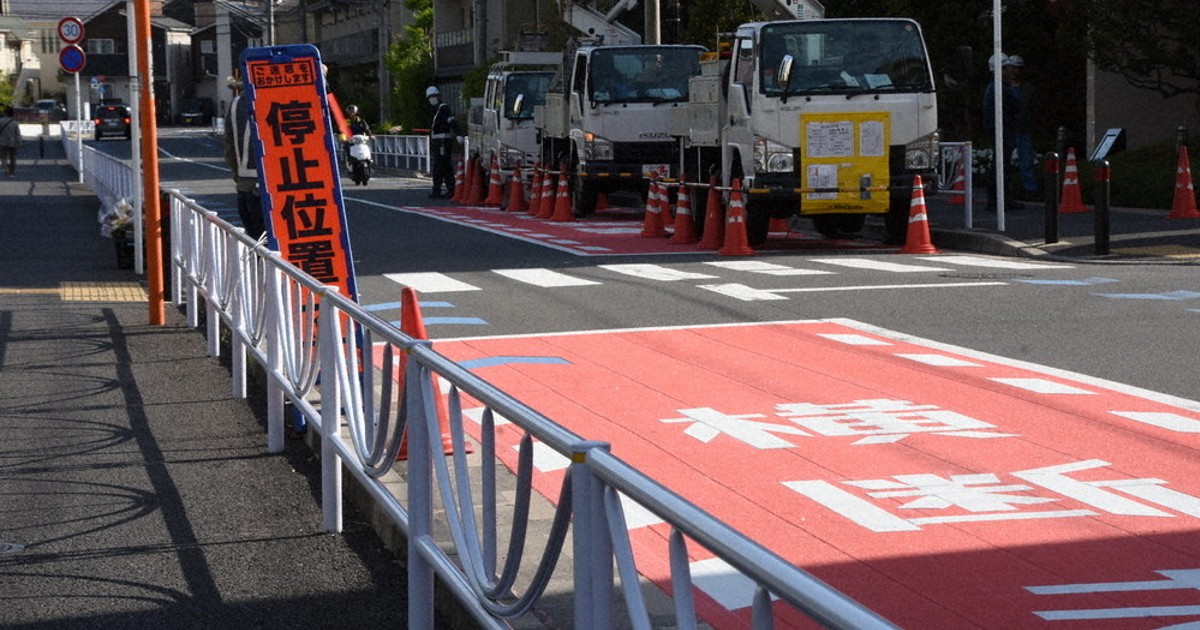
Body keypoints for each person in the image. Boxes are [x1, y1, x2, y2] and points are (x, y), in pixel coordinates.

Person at [222, 74, 266, 240]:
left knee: (255, 239)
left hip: (245, 185)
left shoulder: (235, 105)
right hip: (273, 188)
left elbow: (229, 149)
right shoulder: (280, 101)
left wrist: (239, 175)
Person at [981, 54, 1023, 212]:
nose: (1010, 71)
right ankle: (999, 199)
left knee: (1000, 164)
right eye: (1006, 68)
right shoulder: (1002, 88)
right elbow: (1017, 104)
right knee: (1001, 165)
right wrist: (1014, 88)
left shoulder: (993, 87)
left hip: (998, 129)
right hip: (1002, 129)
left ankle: (998, 198)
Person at [1007, 55, 1038, 200]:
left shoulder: (1027, 88)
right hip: (1008, 130)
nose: (1014, 71)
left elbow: (1031, 108)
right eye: (1012, 68)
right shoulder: (1004, 88)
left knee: (1026, 159)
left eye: (1017, 68)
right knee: (1006, 161)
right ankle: (1008, 189)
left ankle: (1029, 189)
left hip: (1023, 128)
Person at [426, 86, 460, 199]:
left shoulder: (443, 108)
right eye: (430, 97)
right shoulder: (436, 109)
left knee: (440, 166)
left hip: (443, 142)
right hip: (439, 142)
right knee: (444, 166)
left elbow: (451, 121)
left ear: (437, 96)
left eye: (432, 97)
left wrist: (458, 134)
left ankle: (438, 190)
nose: (431, 99)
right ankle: (451, 189)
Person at [0, 105, 21, 178]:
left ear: (5, 113)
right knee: (13, 158)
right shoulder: (15, 122)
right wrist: (19, 143)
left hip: (2, 142)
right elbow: (17, 134)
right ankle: (12, 173)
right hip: (13, 142)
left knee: (3, 158)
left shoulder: (1, 121)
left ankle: (6, 170)